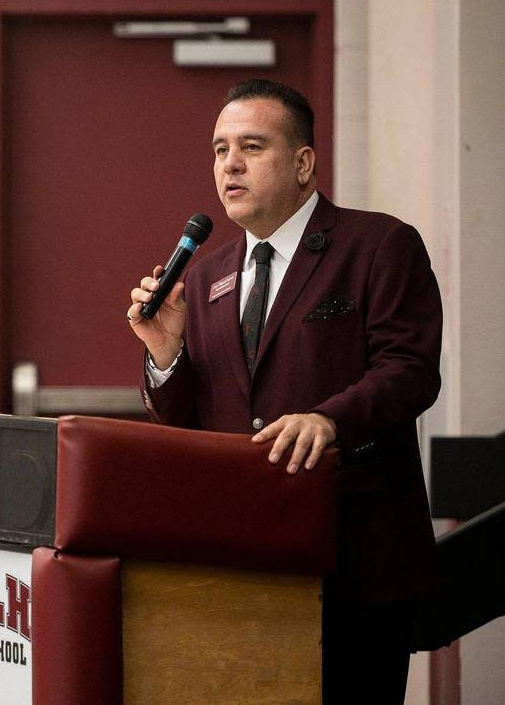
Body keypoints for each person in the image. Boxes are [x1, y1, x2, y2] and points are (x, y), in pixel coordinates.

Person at [127, 79, 441, 704]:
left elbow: (410, 369)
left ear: (302, 163)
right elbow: (195, 415)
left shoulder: (378, 245)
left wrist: (329, 420)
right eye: (219, 150)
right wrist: (167, 354)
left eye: (250, 146)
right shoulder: (209, 272)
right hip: (242, 561)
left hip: (355, 556)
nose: (229, 164)